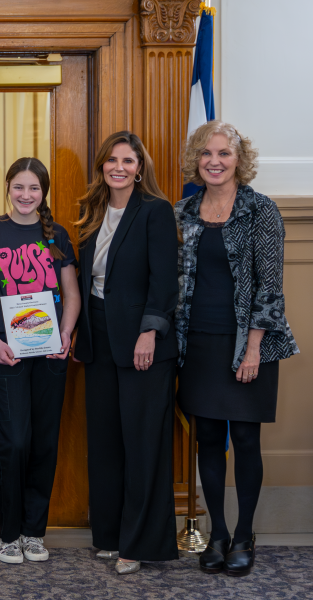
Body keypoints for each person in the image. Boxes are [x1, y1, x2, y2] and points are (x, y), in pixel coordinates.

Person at [175, 121, 299, 577]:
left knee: (245, 438)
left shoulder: (260, 210)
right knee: (208, 438)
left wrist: (252, 349)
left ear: (238, 160)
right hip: (199, 345)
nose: (214, 161)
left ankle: (246, 534)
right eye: (207, 153)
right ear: (196, 158)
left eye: (224, 153)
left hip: (250, 344)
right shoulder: (183, 211)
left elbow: (271, 287)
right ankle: (219, 533)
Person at [72, 131, 180, 574]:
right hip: (97, 339)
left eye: (129, 161)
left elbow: (165, 280)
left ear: (140, 168)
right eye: (112, 160)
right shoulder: (91, 212)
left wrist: (149, 332)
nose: (119, 167)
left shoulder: (156, 211)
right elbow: (86, 281)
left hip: (142, 342)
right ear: (102, 166)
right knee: (105, 441)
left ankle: (139, 544)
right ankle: (112, 535)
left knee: (142, 442)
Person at [0, 157, 80, 565]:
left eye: (34, 188)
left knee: (43, 443)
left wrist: (66, 334)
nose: (25, 195)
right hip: (9, 355)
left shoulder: (59, 236)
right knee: (13, 442)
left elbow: (71, 295)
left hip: (51, 353)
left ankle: (35, 533)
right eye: (19, 187)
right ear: (8, 188)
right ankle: (8, 533)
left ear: (43, 193)